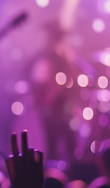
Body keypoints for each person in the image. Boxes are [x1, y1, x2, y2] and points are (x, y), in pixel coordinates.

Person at [27, 19, 80, 162]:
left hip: (61, 103)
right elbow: (36, 79)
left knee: (66, 138)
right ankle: (54, 169)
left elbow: (70, 80)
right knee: (52, 138)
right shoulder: (43, 56)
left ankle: (67, 167)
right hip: (49, 104)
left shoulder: (63, 57)